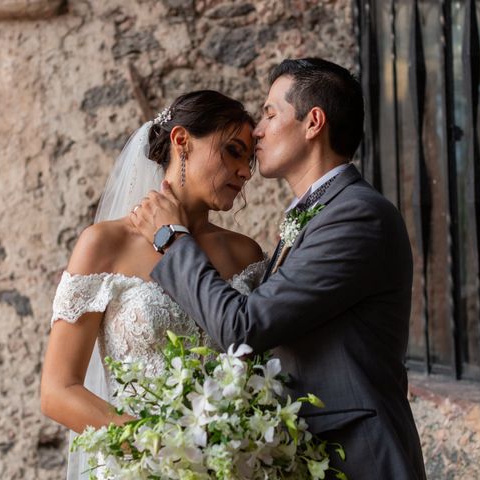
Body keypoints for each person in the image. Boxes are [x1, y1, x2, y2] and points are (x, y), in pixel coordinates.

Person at [131, 58, 427, 479]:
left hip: (361, 458)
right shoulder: (320, 214)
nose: (257, 130)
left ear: (313, 123)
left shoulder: (357, 216)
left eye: (270, 113)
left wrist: (172, 240)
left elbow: (243, 328)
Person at [40, 90, 267, 479]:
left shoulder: (245, 255)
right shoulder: (104, 244)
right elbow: (58, 391)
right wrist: (159, 449)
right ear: (181, 141)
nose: (245, 172)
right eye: (232, 151)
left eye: (249, 160)